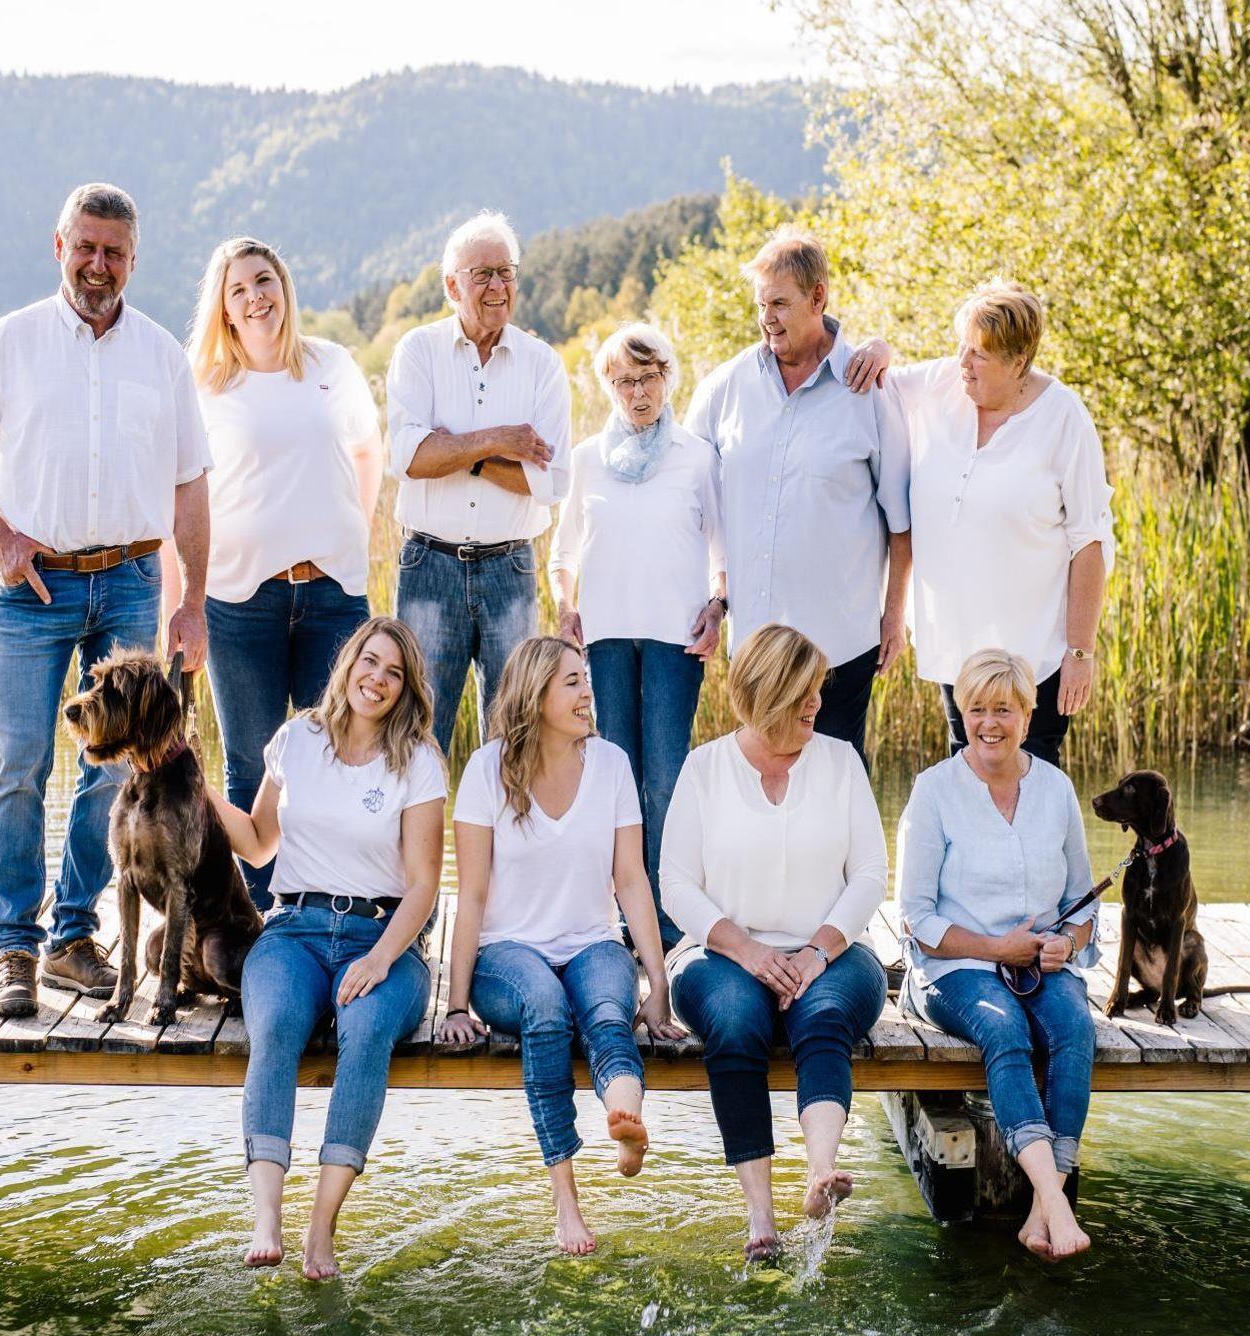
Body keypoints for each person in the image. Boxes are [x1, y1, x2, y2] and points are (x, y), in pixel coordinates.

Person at [0, 181, 212, 1019]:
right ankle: (14, 948)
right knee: (18, 763)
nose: (99, 265)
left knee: (119, 769)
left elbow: (190, 485)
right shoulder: (8, 341)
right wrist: (0, 537)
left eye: (114, 252)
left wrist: (194, 599)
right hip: (34, 585)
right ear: (60, 247)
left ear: (134, 258)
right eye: (86, 248)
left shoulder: (162, 355)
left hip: (131, 579)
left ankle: (71, 935)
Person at [206, 617, 446, 1280]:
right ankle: (266, 1218)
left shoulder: (418, 760)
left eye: (394, 673)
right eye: (370, 662)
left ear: (406, 688)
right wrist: (196, 785)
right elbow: (259, 843)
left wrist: (380, 958)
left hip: (382, 936)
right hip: (293, 932)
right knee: (277, 1023)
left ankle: (321, 1227)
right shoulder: (298, 739)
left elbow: (424, 884)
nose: (378, 679)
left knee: (365, 1031)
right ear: (348, 663)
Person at [660, 624, 889, 1261]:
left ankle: (820, 1174)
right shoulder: (705, 768)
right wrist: (749, 952)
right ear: (766, 694)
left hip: (831, 954)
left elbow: (871, 874)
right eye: (803, 691)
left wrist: (817, 951)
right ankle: (760, 1216)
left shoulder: (840, 762)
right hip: (722, 955)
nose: (817, 702)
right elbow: (675, 883)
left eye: (818, 688)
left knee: (825, 1014)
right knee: (736, 1022)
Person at [444, 636, 679, 1255]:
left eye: (585, 679)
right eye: (572, 682)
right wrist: (456, 1004)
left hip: (592, 944)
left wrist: (658, 986)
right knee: (545, 1008)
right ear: (535, 694)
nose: (587, 693)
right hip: (506, 955)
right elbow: (471, 895)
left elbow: (631, 881)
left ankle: (627, 1123)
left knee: (607, 1013)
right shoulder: (486, 770)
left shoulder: (611, 764)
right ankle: (566, 1202)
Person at [186, 236, 383, 906]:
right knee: (252, 761)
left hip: (333, 595)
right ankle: (266, 920)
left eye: (263, 281)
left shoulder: (331, 365)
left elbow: (367, 451)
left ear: (284, 287)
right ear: (224, 308)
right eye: (238, 289)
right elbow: (179, 496)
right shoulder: (205, 385)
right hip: (240, 602)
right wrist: (180, 606)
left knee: (349, 749)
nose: (255, 298)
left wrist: (353, 530)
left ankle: (343, 904)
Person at [846, 279, 1114, 765]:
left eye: (979, 355)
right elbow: (873, 384)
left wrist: (1080, 653)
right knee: (964, 775)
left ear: (1018, 362)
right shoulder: (942, 385)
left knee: (1029, 782)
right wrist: (879, 347)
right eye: (962, 347)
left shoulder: (1063, 418)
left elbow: (1089, 542)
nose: (962, 363)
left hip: (1034, 659)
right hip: (958, 651)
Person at [896, 648, 1098, 1261]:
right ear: (962, 712)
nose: (990, 723)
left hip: (1041, 965)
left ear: (1028, 716)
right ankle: (1056, 1201)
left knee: (1074, 1029)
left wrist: (1067, 942)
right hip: (955, 967)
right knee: (1004, 1027)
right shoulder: (934, 791)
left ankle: (1041, 1209)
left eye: (1004, 710)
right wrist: (995, 948)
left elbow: (1083, 904)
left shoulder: (1056, 789)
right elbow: (917, 920)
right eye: (978, 708)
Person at [683, 228, 910, 762]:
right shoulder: (724, 388)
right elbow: (691, 503)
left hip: (840, 647)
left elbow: (901, 521)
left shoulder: (869, 389)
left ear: (818, 297)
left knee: (836, 787)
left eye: (780, 304)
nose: (767, 318)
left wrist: (894, 616)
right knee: (762, 787)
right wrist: (717, 596)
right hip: (756, 650)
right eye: (761, 305)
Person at [551, 322, 725, 944]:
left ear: (667, 377)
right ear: (609, 387)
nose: (638, 393)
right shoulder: (586, 460)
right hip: (604, 639)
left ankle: (671, 921)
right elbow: (562, 552)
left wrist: (719, 604)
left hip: (676, 638)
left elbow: (722, 546)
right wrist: (564, 604)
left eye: (648, 378)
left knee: (666, 778)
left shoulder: (696, 455)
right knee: (616, 778)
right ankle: (624, 918)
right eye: (624, 381)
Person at [385, 210, 573, 756]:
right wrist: (500, 440)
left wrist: (461, 451)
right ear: (452, 286)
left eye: (506, 272)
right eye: (482, 274)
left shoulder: (543, 365)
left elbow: (552, 482)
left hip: (510, 569)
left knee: (515, 735)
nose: (497, 286)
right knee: (417, 734)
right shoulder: (418, 351)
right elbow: (410, 459)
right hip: (429, 566)